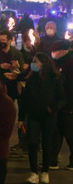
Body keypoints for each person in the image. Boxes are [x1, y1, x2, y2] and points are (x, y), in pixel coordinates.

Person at [18, 53, 67, 184]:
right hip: (33, 116)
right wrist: (21, 118)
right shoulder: (31, 79)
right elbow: (24, 100)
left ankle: (45, 171)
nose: (33, 64)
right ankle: (33, 172)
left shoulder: (54, 79)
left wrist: (53, 108)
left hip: (48, 117)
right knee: (32, 143)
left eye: (36, 62)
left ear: (44, 64)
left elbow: (62, 98)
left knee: (46, 144)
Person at [49, 40, 73, 170]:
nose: (53, 54)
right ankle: (53, 160)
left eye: (55, 51)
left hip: (68, 106)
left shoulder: (70, 63)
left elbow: (69, 86)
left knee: (70, 134)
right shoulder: (57, 62)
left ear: (64, 51)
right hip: (58, 105)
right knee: (56, 134)